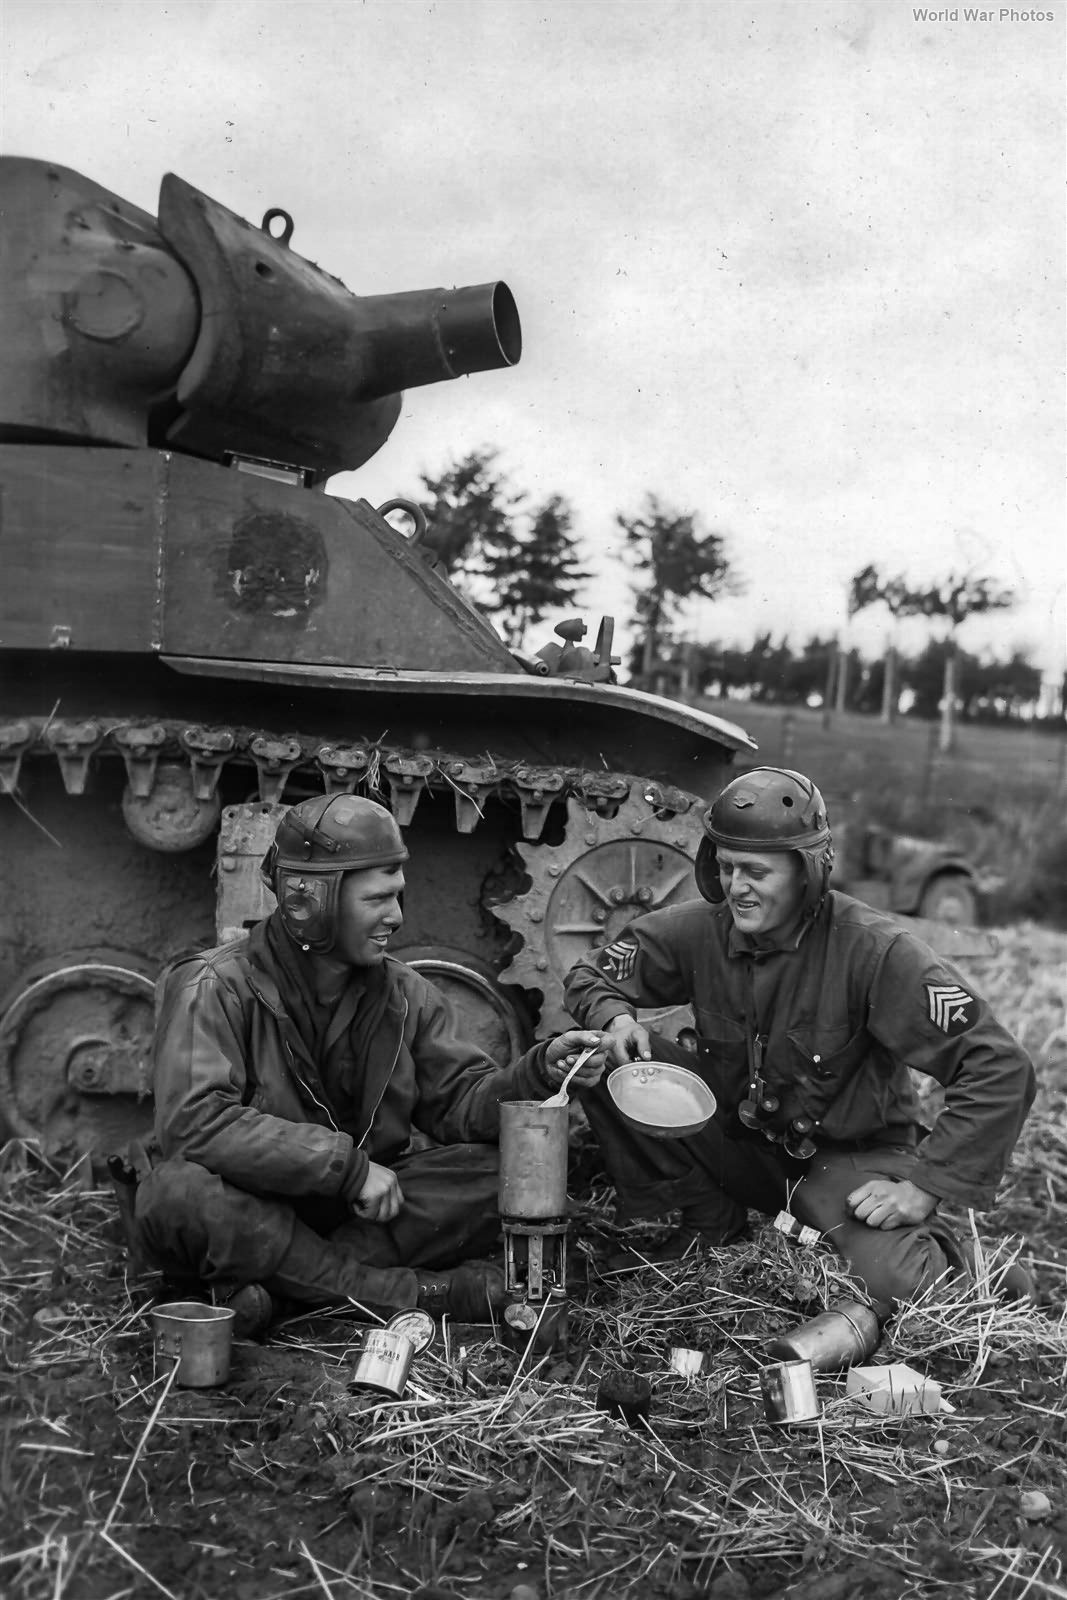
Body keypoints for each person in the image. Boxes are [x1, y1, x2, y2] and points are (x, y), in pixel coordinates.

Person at [563, 767, 1036, 1318]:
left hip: (848, 1160)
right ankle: (709, 1219)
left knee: (898, 1286)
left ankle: (974, 1266)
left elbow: (999, 1067)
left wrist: (925, 1188)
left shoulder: (877, 951)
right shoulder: (698, 929)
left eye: (756, 872)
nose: (737, 887)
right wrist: (617, 1019)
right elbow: (590, 976)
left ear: (807, 873)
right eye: (727, 867)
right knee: (590, 1054)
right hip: (739, 1143)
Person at [134, 794, 604, 1334]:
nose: (396, 918)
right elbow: (194, 1125)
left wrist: (541, 1069)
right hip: (256, 1203)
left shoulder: (405, 994)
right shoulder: (214, 986)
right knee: (178, 1195)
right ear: (308, 901)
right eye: (377, 901)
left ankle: (288, 1291)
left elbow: (460, 1104)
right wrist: (347, 1170)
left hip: (355, 1219)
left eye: (397, 898)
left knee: (499, 1174)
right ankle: (408, 1294)